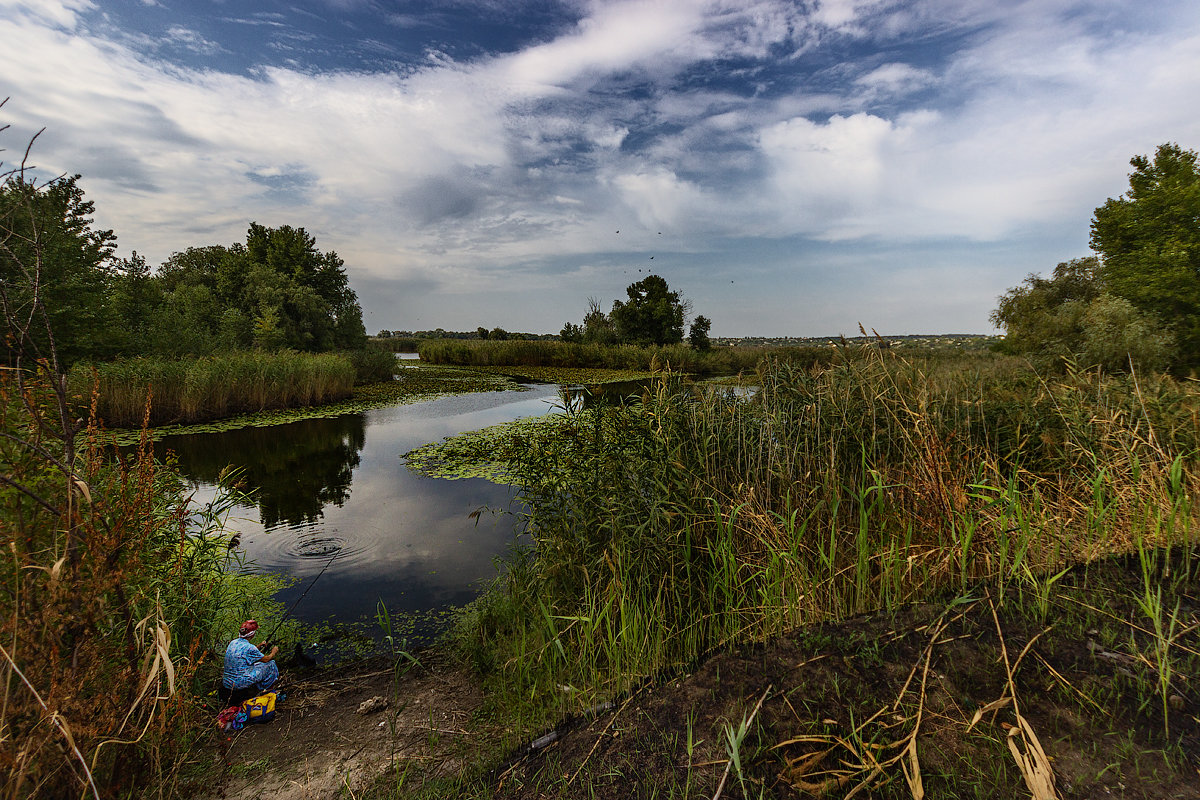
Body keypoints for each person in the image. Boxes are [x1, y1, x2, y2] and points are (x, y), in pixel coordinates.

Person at [221, 620, 280, 700]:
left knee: (257, 665)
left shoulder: (233, 642)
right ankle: (264, 688)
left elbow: (246, 652)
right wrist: (273, 652)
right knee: (271, 664)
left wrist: (259, 645)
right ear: (252, 635)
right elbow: (266, 659)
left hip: (227, 682)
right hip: (240, 683)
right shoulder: (250, 647)